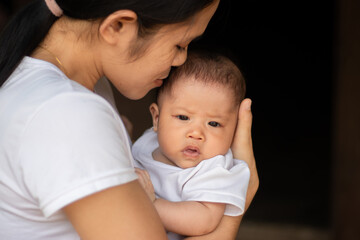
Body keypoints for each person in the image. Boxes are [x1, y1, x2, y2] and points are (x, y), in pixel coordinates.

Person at [0, 0, 258, 239]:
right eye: (179, 45)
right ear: (117, 26)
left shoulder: (65, 85)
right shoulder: (66, 110)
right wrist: (236, 206)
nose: (182, 60)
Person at [133, 51, 250, 240]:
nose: (196, 133)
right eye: (183, 117)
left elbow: (204, 219)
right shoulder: (148, 141)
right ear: (156, 118)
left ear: (234, 129)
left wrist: (153, 205)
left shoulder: (214, 169)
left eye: (213, 124)